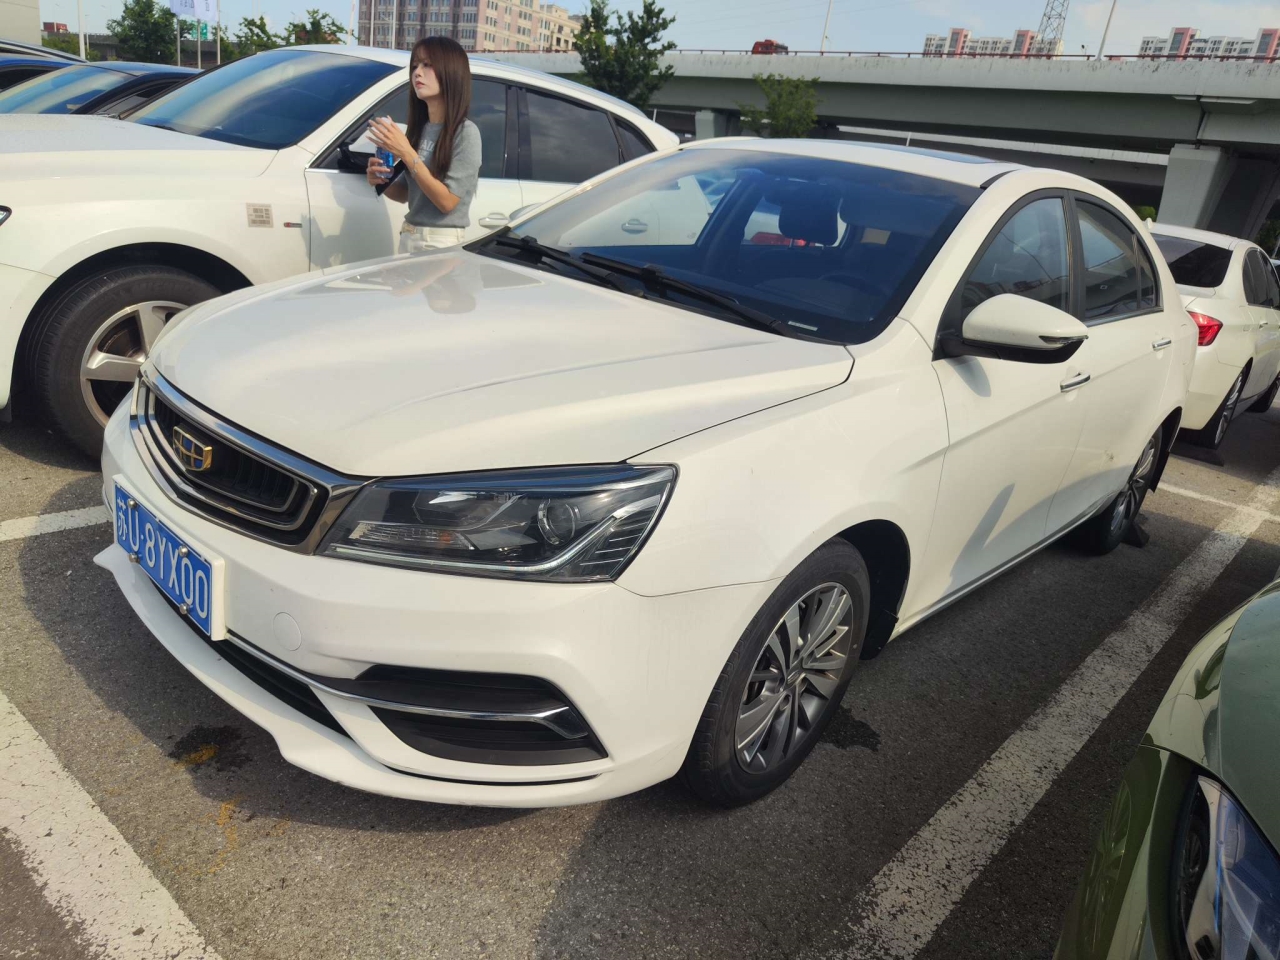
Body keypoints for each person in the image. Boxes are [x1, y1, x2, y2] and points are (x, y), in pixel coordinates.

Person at [366, 36, 482, 253]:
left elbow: (447, 202)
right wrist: (382, 180)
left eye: (427, 65)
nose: (417, 73)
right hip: (409, 234)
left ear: (450, 72)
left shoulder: (466, 133)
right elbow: (406, 194)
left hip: (439, 241)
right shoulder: (420, 129)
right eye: (415, 66)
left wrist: (406, 152)